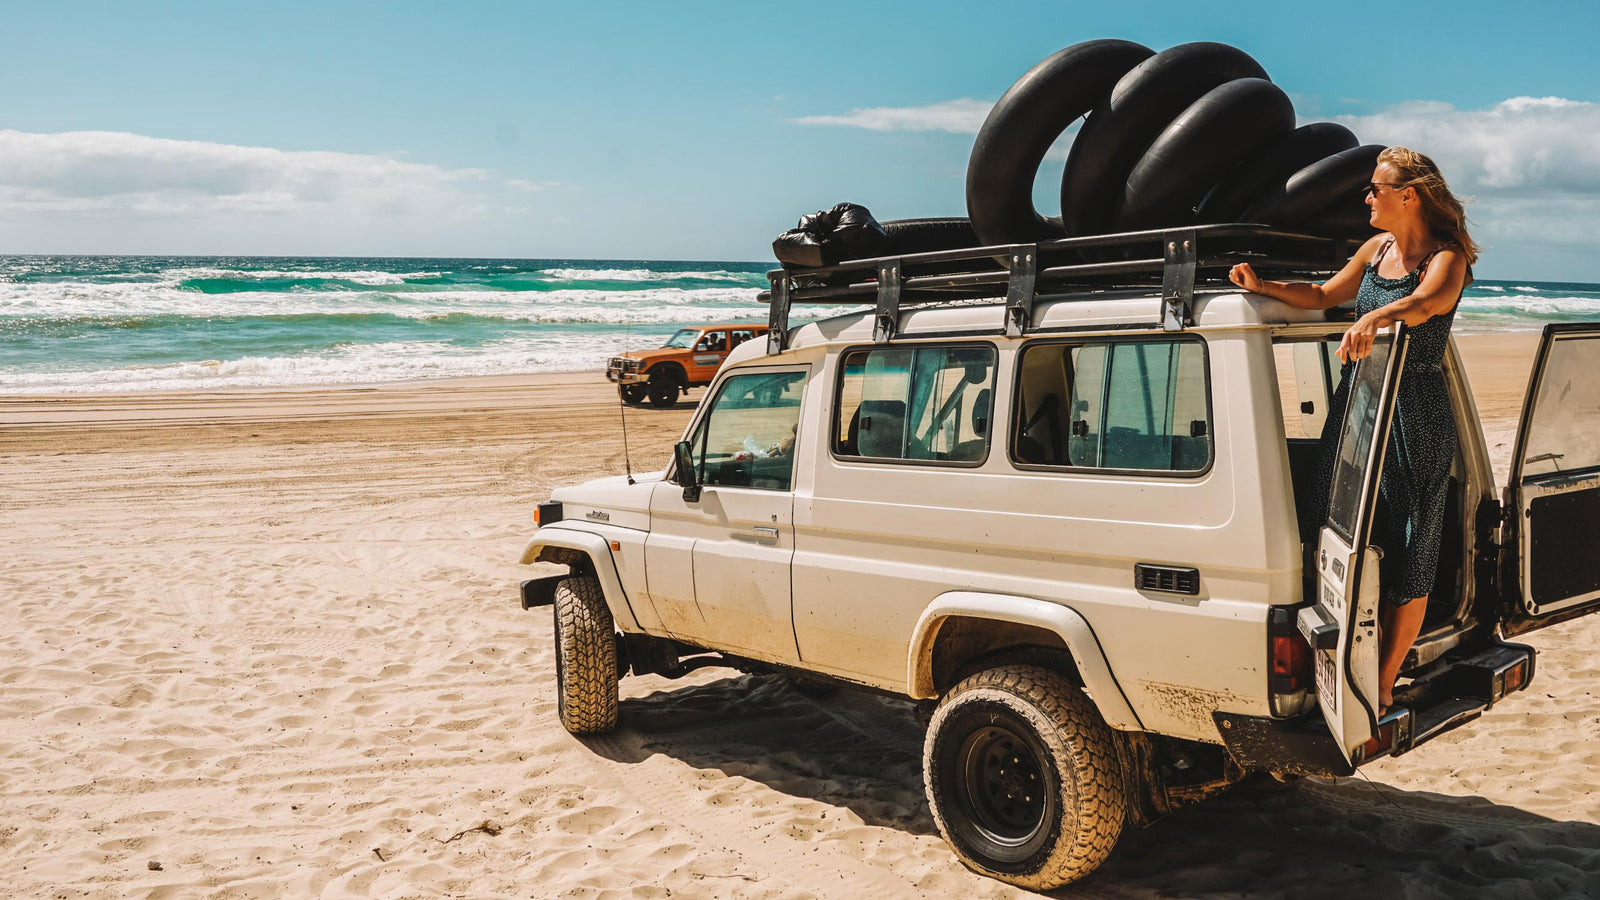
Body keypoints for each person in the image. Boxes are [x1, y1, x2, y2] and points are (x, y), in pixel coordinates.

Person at [1229, 146, 1479, 713]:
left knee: (1411, 545)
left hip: (1414, 413)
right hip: (1360, 408)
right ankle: (1337, 658)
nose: (1367, 198)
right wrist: (1263, 285)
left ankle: (1384, 679)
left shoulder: (1447, 256)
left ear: (1408, 195)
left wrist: (1374, 316)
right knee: (1331, 523)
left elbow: (1427, 303)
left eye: (1376, 189)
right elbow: (1320, 296)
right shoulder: (1376, 249)